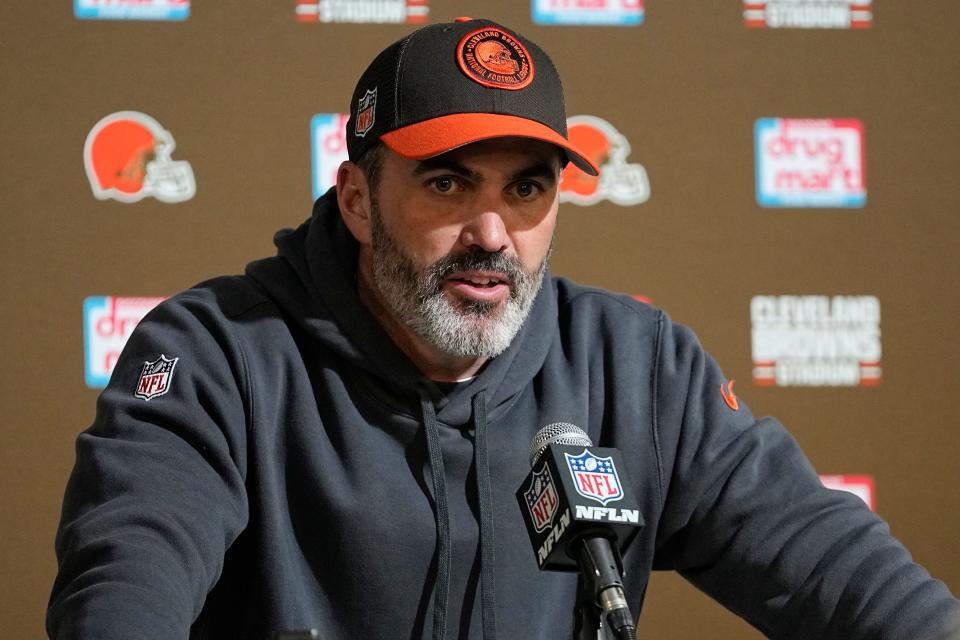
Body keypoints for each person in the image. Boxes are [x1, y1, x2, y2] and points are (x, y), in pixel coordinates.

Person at [47, 17, 960, 640]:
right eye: (449, 184)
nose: (493, 234)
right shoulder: (217, 354)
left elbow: (833, 568)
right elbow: (129, 582)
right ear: (359, 199)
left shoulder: (637, 368)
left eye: (526, 188)